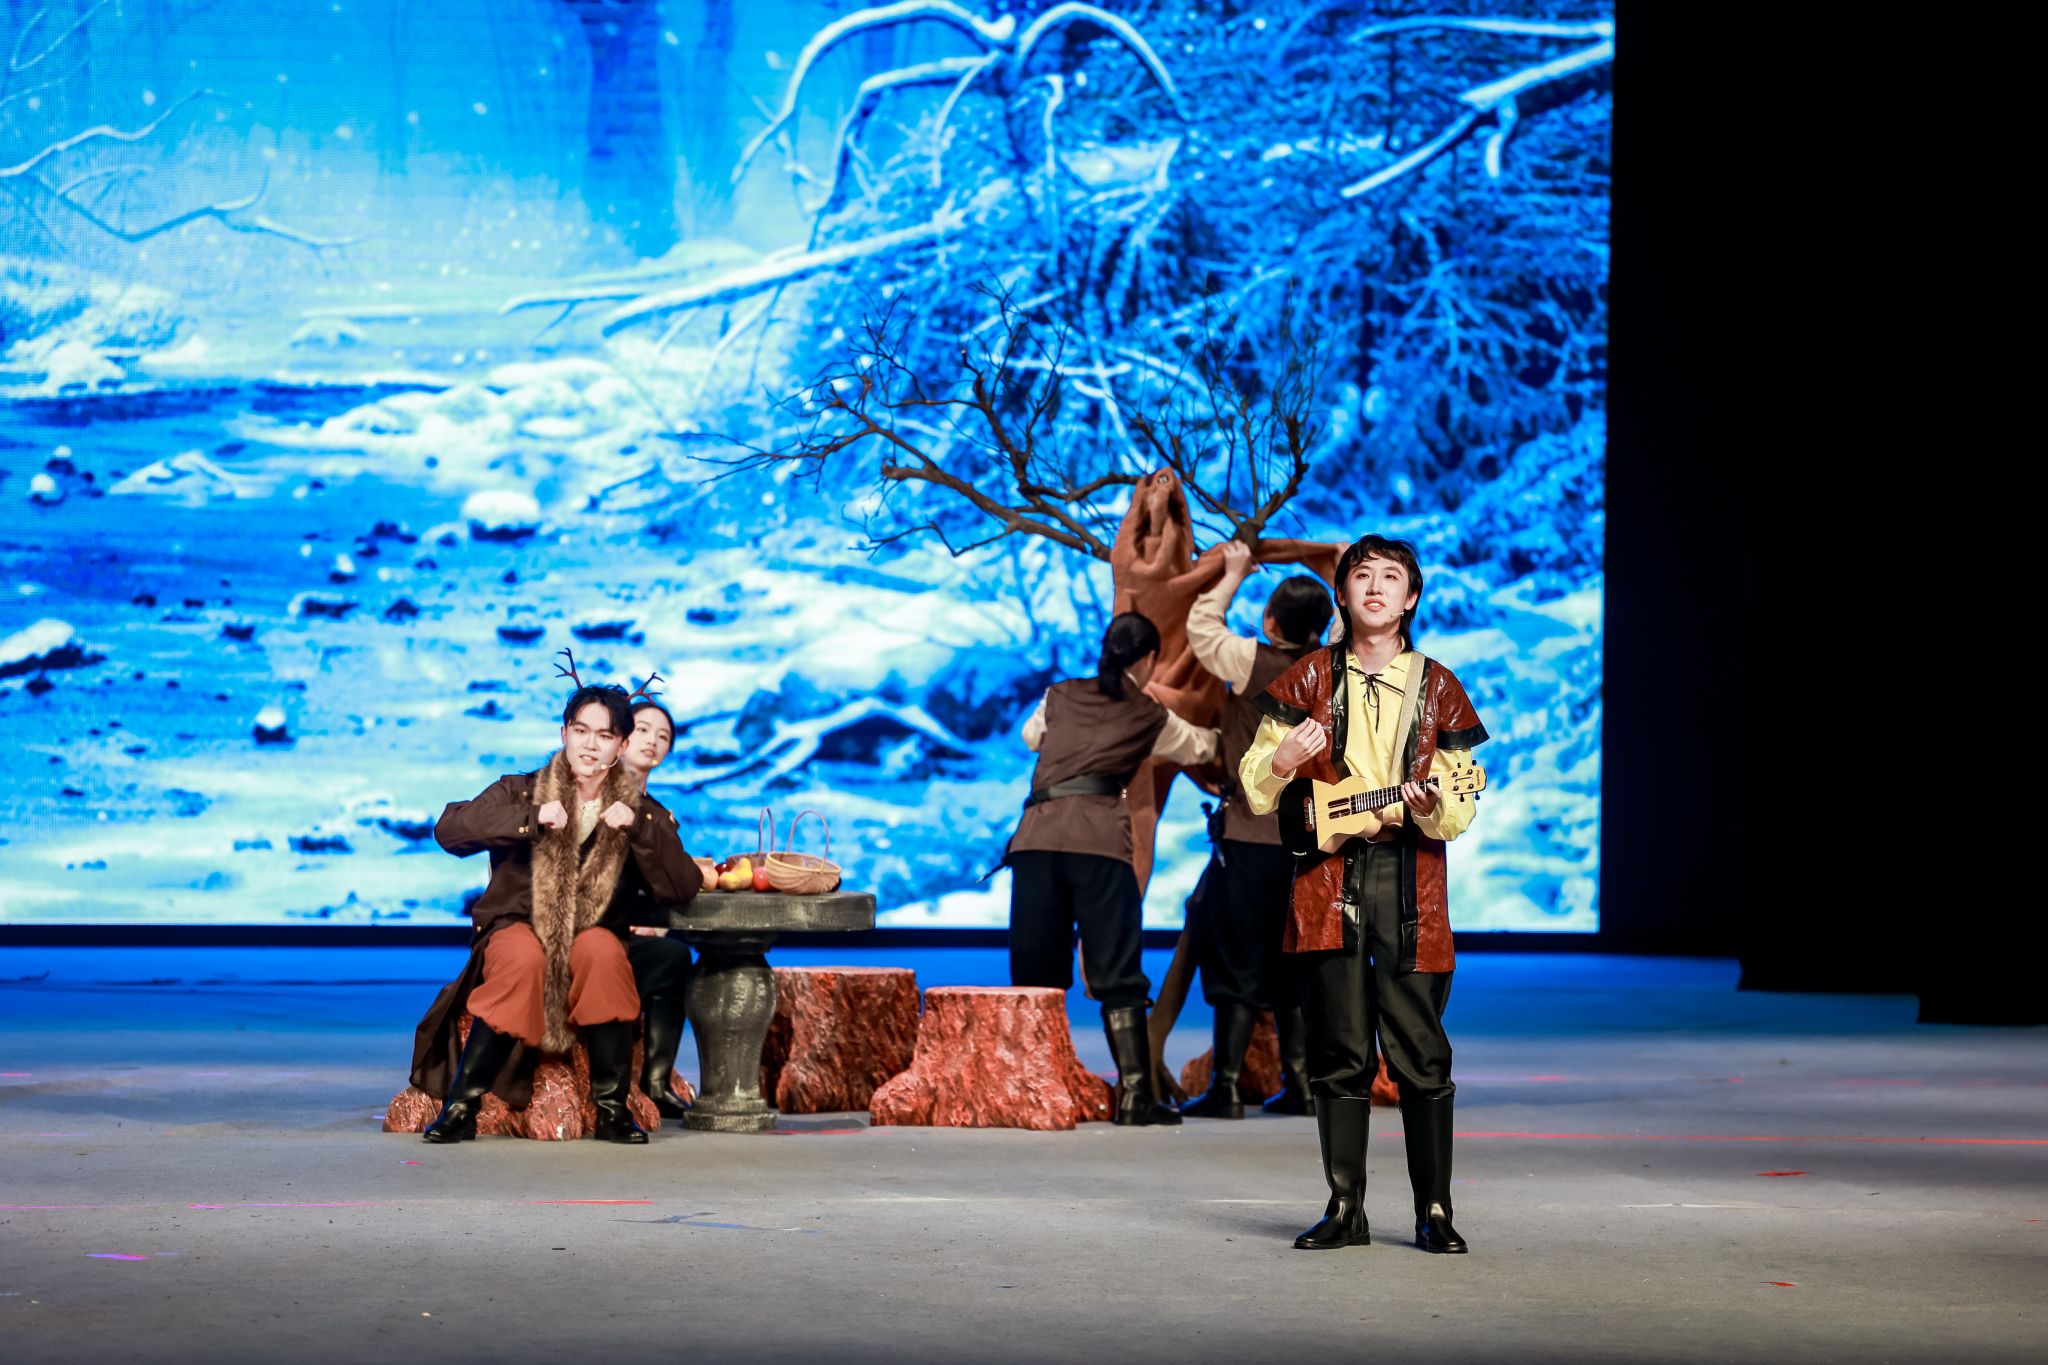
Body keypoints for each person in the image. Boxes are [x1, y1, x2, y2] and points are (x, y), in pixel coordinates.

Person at [1239, 535, 1489, 1252]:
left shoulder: (1439, 685)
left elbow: (1457, 808)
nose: (1375, 588)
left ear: (1411, 597)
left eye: (1390, 577)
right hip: (1326, 881)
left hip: (1412, 882)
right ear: (1342, 594)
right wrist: (1282, 761)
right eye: (1361, 576)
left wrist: (1429, 806)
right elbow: (1258, 786)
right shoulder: (1308, 678)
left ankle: (1434, 1210)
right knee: (1338, 1047)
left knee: (1421, 1049)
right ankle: (1344, 1205)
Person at [408, 684, 703, 1144]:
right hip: (517, 926)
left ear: (621, 744)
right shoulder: (521, 790)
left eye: (605, 736)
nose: (590, 745)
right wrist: (529, 819)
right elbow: (450, 830)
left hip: (591, 933)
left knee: (604, 953)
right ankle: (462, 1107)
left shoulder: (641, 811)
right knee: (524, 959)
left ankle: (611, 1110)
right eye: (581, 731)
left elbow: (681, 887)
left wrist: (639, 828)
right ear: (564, 733)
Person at [1008, 611, 1221, 1127]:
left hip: (1036, 841)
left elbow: (1030, 738)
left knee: (1036, 973)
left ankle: (1030, 1090)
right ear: (1148, 660)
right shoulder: (1149, 713)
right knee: (1117, 973)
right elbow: (1202, 746)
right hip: (1098, 845)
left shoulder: (1059, 694)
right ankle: (1134, 1097)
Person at [1180, 539, 1333, 1118]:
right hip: (1312, 840)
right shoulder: (1334, 668)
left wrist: (1234, 570)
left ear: (1269, 621)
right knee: (1296, 958)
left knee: (1237, 959)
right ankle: (1301, 1085)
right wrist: (1332, 568)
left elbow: (1202, 627)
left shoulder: (1250, 662)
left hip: (1249, 835)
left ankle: (1225, 1087)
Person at [614, 697, 698, 1119]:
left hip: (632, 933)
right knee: (670, 957)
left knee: (674, 956)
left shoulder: (659, 814)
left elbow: (673, 884)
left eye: (663, 736)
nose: (652, 741)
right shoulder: (589, 795)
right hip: (588, 931)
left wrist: (657, 923)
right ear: (620, 737)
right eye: (643, 730)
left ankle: (657, 1081)